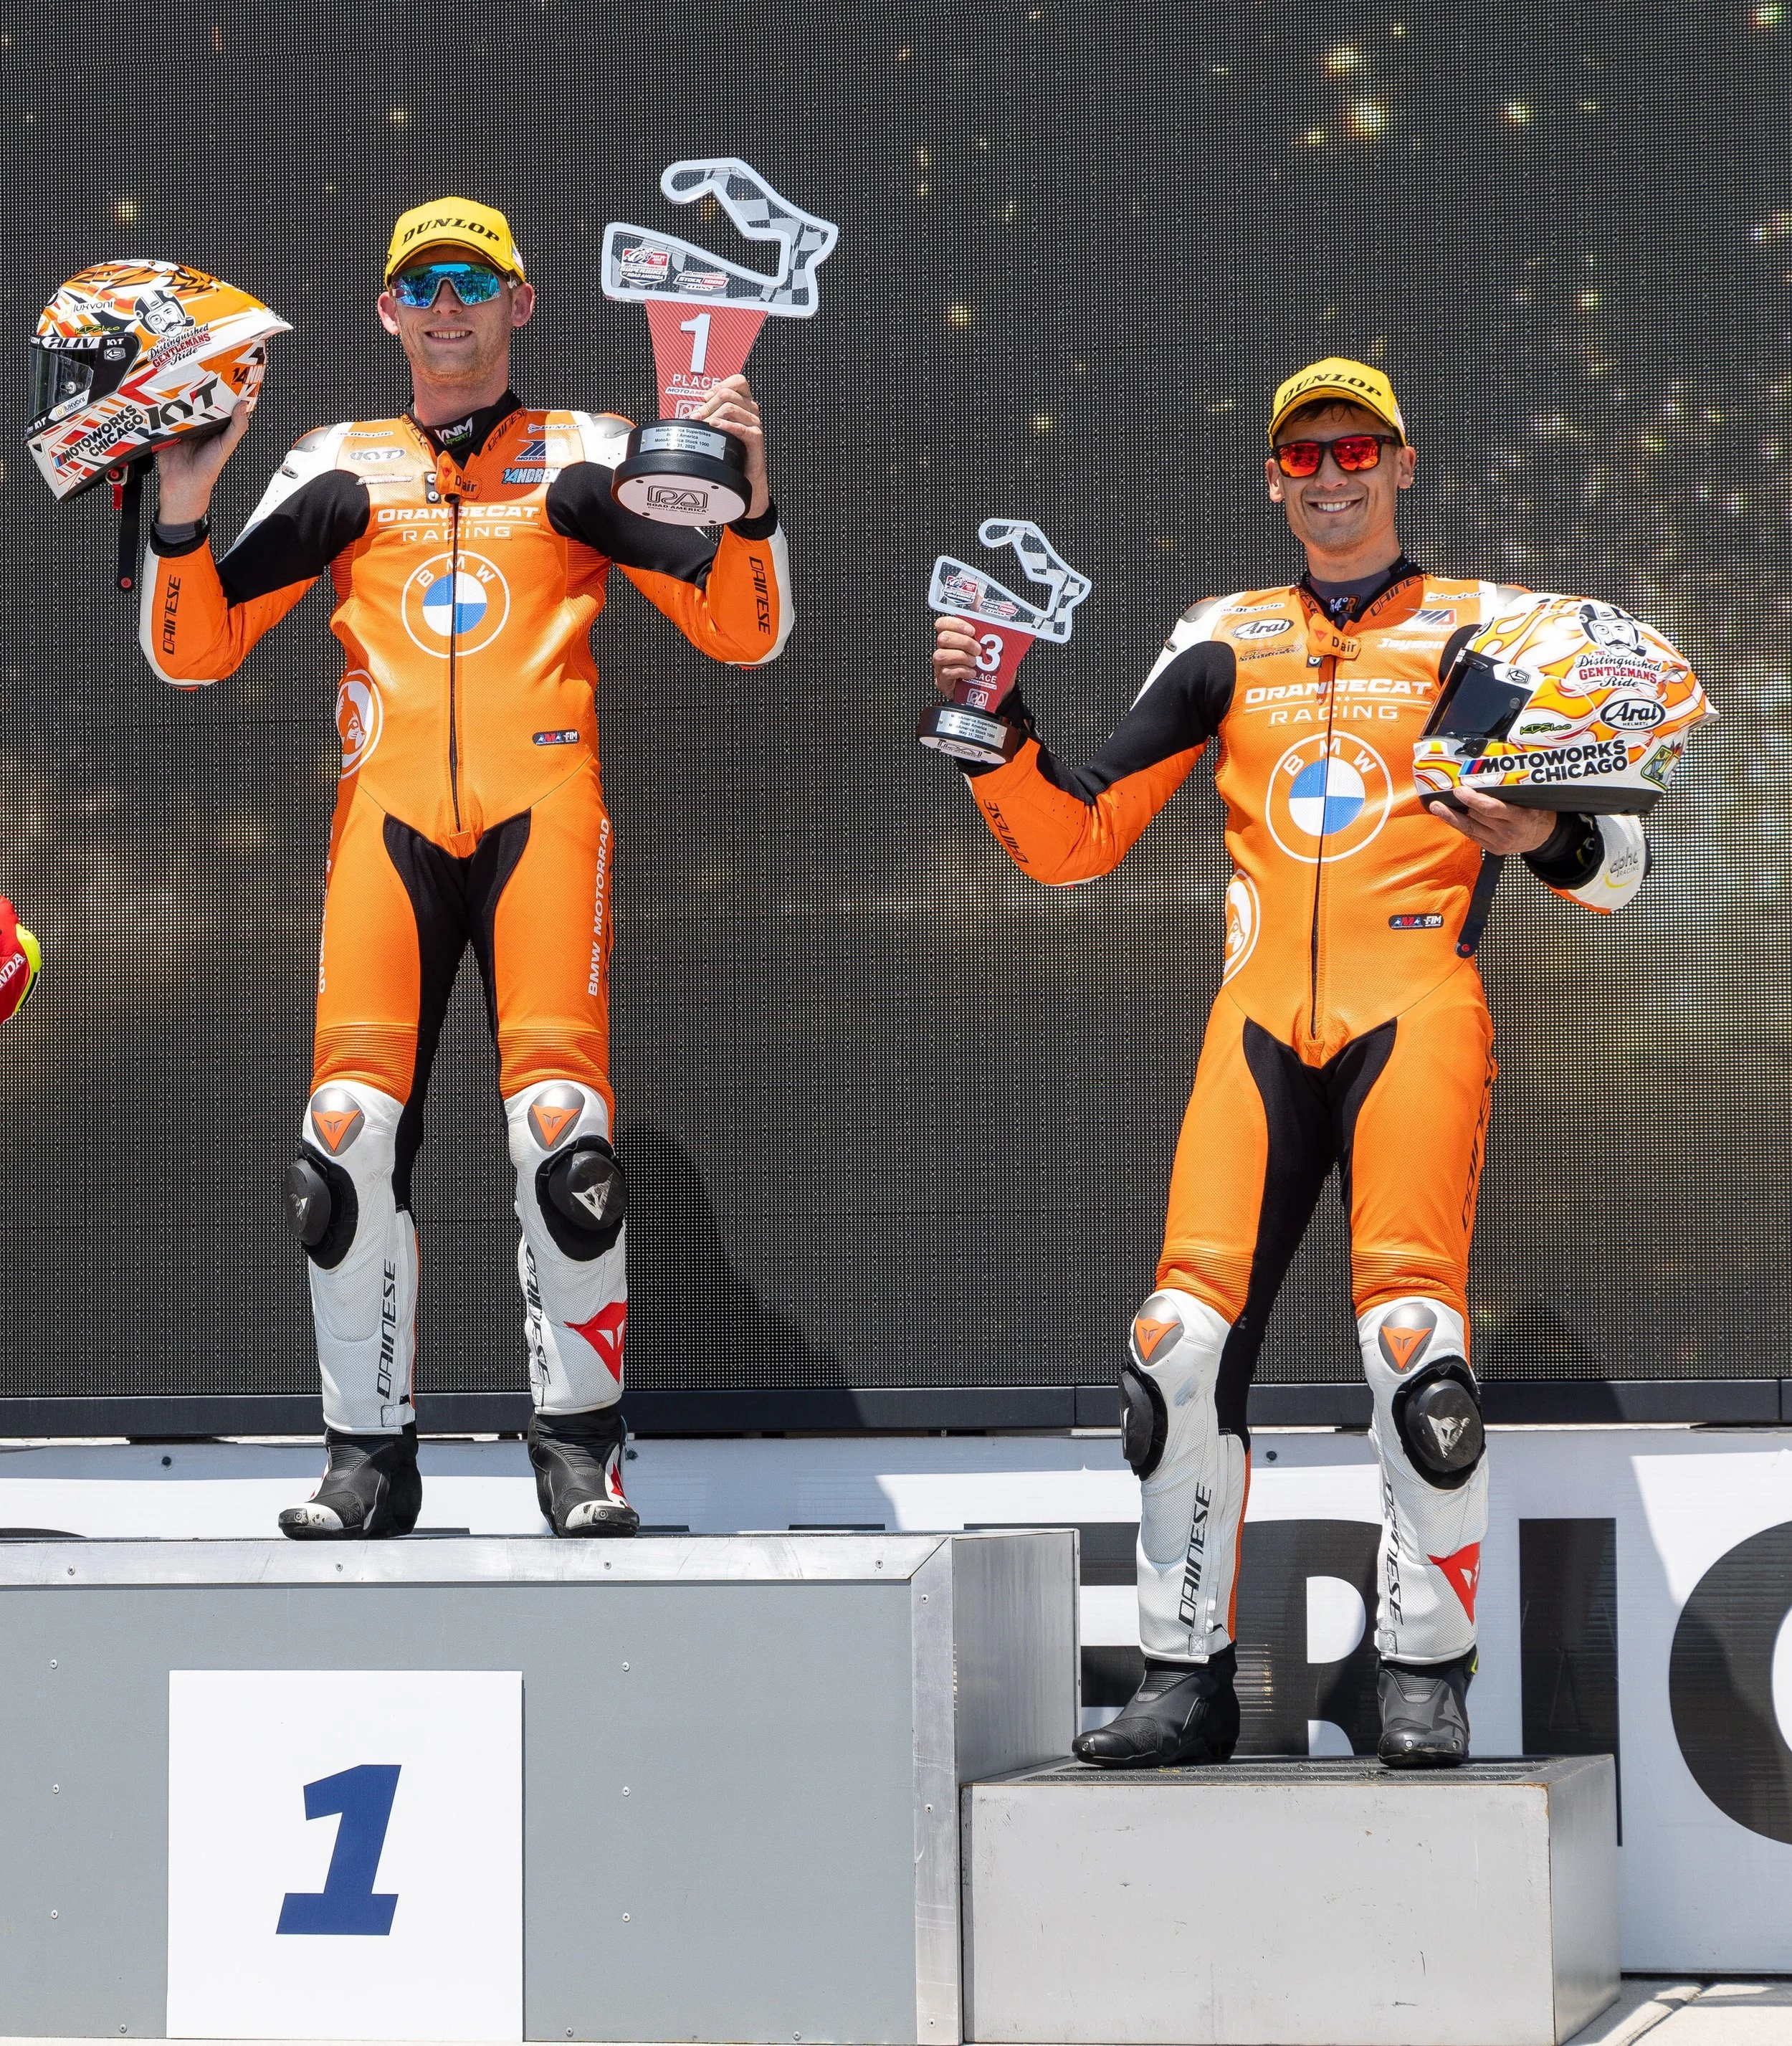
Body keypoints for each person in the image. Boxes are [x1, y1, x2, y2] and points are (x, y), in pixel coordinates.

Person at [931, 356, 1646, 1766]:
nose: (1329, 474)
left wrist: (1538, 835)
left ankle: (1423, 1671)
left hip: (1412, 1011)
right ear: (1271, 475)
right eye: (1302, 454)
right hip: (1256, 1023)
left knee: (1411, 1351)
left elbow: (1618, 863)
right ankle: (1178, 1676)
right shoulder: (1220, 637)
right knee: (1170, 1347)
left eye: (1354, 448)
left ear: (1401, 461)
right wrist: (991, 726)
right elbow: (1076, 837)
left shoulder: (1487, 632)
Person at [141, 197, 791, 1540]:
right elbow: (194, 650)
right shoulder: (337, 462)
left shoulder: (589, 454)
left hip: (540, 819)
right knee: (338, 1147)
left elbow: (743, 632)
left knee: (564, 1141)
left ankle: (579, 1448)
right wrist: (183, 509)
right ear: (385, 311)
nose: (446, 305)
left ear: (522, 302)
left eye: (472, 280)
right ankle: (366, 1459)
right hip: (386, 832)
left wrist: (753, 493)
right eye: (419, 283)